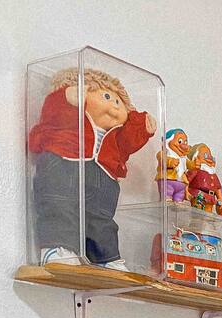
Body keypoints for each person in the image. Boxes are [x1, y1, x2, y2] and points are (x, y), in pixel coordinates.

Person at [28, 68, 156, 270]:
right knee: (60, 205)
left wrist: (141, 126)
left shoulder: (114, 136)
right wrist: (66, 98)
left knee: (101, 218)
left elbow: (128, 141)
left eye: (119, 102)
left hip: (103, 176)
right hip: (64, 163)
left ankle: (106, 257)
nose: (114, 106)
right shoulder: (71, 118)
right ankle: (57, 248)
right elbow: (53, 114)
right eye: (107, 97)